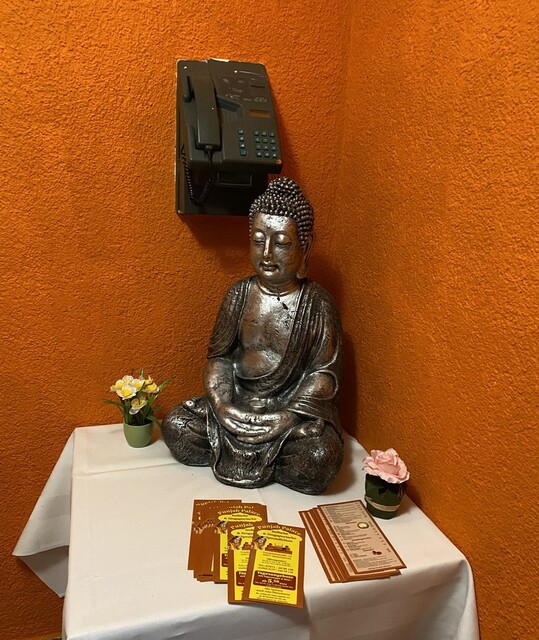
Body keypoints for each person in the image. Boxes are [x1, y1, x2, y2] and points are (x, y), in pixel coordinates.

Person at [161, 177, 344, 494]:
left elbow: (323, 375)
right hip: (238, 404)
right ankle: (256, 454)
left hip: (289, 416)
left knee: (319, 457)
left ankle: (274, 456)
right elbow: (220, 358)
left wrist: (288, 417)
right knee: (176, 425)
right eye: (259, 241)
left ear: (306, 245)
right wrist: (222, 405)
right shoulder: (238, 295)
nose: (268, 254)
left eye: (282, 243)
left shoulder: (318, 304)